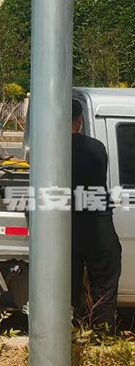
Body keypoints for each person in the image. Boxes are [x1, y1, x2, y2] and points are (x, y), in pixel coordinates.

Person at [71, 98, 121, 330]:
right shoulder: (96, 147)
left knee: (66, 291)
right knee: (104, 290)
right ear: (80, 120)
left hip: (65, 228)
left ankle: (67, 336)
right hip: (98, 227)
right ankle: (101, 336)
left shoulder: (49, 150)